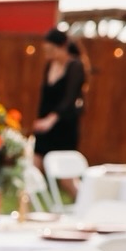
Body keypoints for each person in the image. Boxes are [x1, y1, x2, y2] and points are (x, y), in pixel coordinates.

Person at [32, 26, 86, 160]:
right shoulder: (49, 66)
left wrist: (51, 120)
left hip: (63, 126)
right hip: (44, 126)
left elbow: (69, 98)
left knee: (65, 173)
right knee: (36, 166)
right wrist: (41, 120)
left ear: (62, 46)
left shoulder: (75, 66)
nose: (48, 54)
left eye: (51, 50)